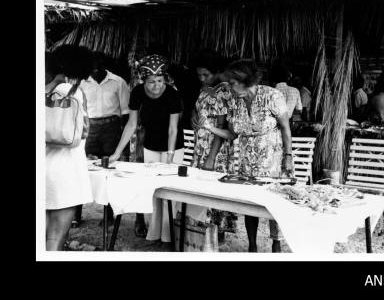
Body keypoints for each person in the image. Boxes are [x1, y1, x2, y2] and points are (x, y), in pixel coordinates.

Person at [204, 59, 294, 252]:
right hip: (246, 163)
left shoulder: (272, 95)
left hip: (272, 163)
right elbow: (232, 134)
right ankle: (252, 246)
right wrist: (209, 127)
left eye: (232, 83)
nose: (230, 87)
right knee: (250, 204)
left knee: (273, 204)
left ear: (245, 80)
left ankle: (276, 244)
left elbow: (286, 128)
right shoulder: (236, 102)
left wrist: (288, 156)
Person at [108, 54, 183, 238]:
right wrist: (117, 152)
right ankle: (155, 233)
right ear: (144, 80)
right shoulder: (137, 92)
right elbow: (131, 124)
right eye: (151, 82)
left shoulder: (172, 94)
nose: (156, 85)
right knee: (153, 191)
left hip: (173, 147)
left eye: (160, 80)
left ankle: (170, 236)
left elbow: (173, 129)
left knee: (169, 192)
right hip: (150, 146)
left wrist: (170, 157)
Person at [45, 45, 94, 250]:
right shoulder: (72, 93)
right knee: (55, 238)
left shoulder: (45, 89)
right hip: (65, 170)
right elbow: (83, 132)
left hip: (44, 165)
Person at [74, 52, 130, 228]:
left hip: (111, 128)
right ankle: (76, 214)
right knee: (82, 169)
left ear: (106, 66)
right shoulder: (81, 83)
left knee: (109, 172)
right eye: (92, 68)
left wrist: (123, 140)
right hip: (90, 127)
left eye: (99, 67)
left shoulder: (118, 82)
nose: (95, 71)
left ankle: (108, 215)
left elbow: (126, 113)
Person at [191, 51, 238, 240]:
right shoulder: (206, 89)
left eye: (206, 75)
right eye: (199, 75)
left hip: (214, 150)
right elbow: (198, 112)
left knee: (215, 192)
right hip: (200, 146)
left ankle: (217, 235)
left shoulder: (224, 91)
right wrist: (194, 118)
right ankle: (205, 233)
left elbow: (222, 127)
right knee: (202, 191)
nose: (202, 78)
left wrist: (211, 158)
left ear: (217, 72)